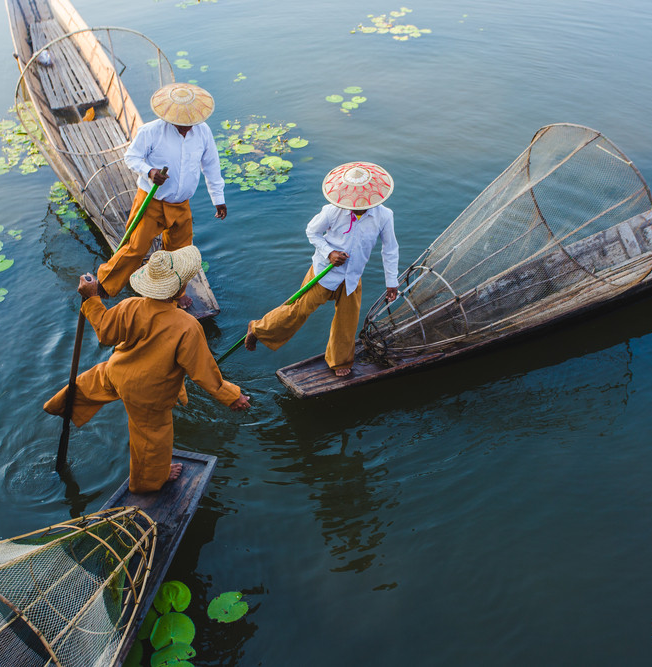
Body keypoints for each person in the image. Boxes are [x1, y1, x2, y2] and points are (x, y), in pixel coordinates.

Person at [46, 245, 250, 493]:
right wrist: (231, 396)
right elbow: (204, 373)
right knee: (152, 439)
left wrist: (91, 298)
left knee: (91, 383)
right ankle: (149, 481)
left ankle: (61, 405)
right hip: (148, 395)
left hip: (117, 372)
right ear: (180, 289)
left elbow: (105, 332)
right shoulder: (187, 326)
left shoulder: (130, 306)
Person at [244, 162, 399, 377]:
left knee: (347, 321)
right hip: (323, 273)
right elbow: (312, 232)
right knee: (298, 310)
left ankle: (339, 360)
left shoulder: (384, 216)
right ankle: (258, 329)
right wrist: (330, 253)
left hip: (352, 278)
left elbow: (390, 249)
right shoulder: (333, 211)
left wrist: (392, 281)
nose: (356, 205)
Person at [95, 83, 227, 305]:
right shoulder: (151, 131)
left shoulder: (203, 132)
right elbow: (131, 157)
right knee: (135, 247)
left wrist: (219, 199)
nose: (186, 128)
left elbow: (211, 165)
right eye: (181, 124)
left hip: (181, 204)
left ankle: (174, 294)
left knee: (181, 253)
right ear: (172, 117)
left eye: (190, 123)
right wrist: (150, 171)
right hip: (152, 202)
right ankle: (104, 284)